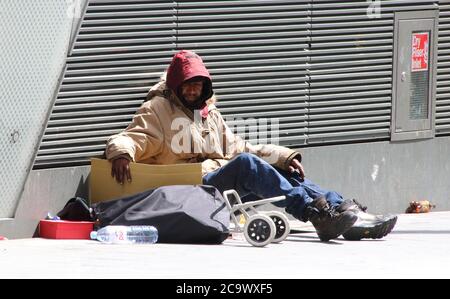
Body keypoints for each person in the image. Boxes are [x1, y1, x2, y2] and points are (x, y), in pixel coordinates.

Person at [105, 50, 397, 242]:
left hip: (216, 181)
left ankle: (341, 212)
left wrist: (283, 156)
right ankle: (312, 212)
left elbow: (239, 147)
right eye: (187, 84)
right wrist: (121, 152)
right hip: (191, 187)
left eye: (198, 84)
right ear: (176, 84)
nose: (193, 90)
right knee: (247, 166)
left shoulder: (209, 115)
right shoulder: (158, 109)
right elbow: (132, 136)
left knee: (285, 172)